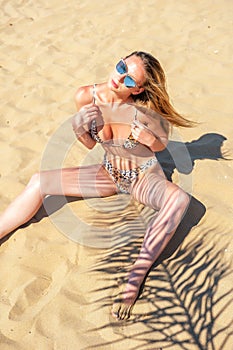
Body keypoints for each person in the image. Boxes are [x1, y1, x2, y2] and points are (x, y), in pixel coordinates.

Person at [0, 51, 193, 320]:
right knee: (39, 181)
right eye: (121, 67)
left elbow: (160, 145)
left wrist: (149, 138)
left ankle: (134, 279)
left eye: (129, 80)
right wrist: (80, 129)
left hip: (143, 177)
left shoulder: (146, 112)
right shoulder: (86, 96)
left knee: (180, 200)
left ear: (138, 89)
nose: (119, 77)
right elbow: (91, 143)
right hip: (108, 173)